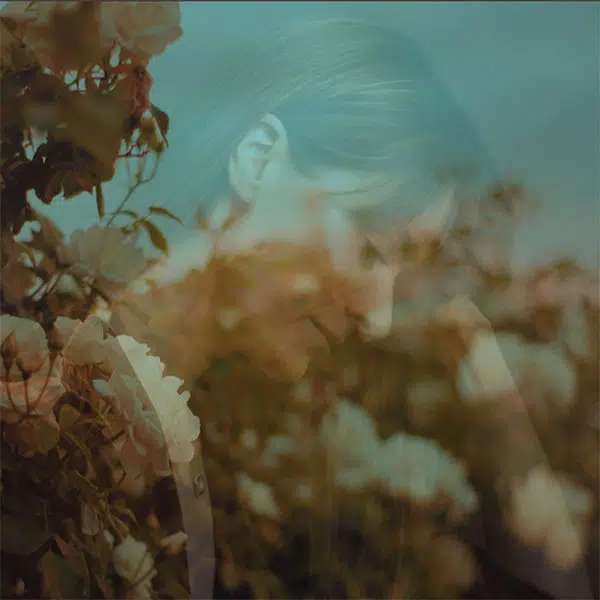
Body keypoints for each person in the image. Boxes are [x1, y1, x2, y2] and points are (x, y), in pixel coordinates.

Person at [111, 14, 594, 599]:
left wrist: (494, 391)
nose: (379, 316)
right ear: (260, 158)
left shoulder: (243, 414)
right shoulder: (74, 384)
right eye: (369, 247)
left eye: (401, 268)